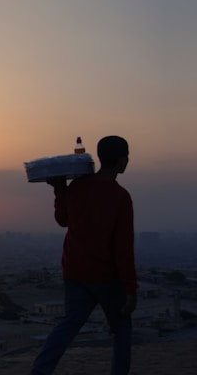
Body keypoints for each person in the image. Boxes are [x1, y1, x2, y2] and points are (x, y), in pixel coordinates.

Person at [31, 135, 138, 375]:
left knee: (67, 327)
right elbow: (123, 248)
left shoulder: (79, 186)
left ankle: (40, 371)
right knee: (121, 330)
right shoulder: (121, 197)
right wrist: (131, 289)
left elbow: (62, 220)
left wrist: (60, 188)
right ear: (122, 161)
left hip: (75, 273)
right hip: (107, 278)